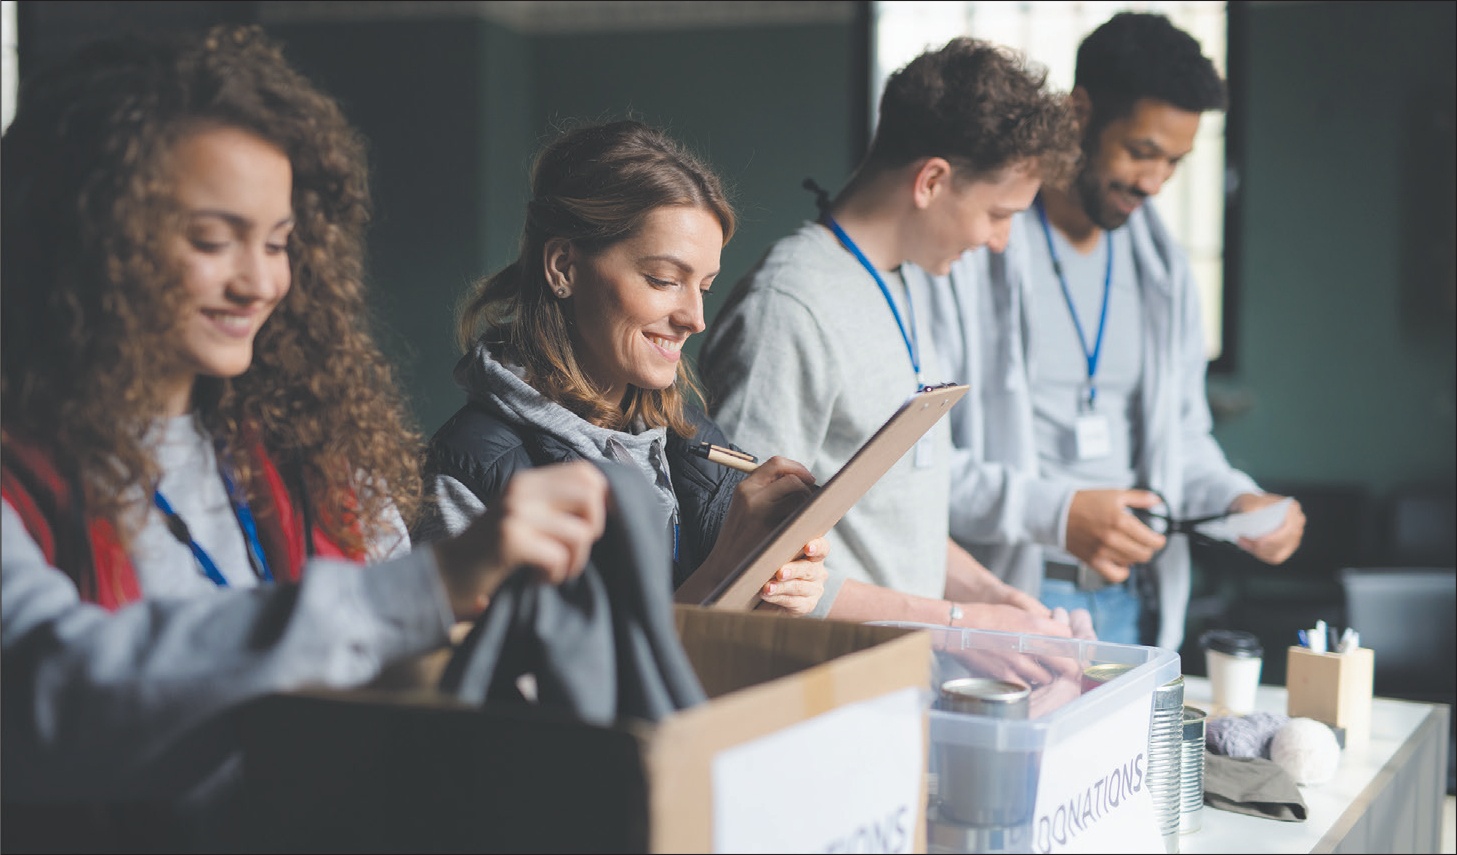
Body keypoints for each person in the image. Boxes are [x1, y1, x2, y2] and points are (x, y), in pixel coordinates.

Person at [0, 25, 615, 848]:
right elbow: (56, 696)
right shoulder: (17, 473)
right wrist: (429, 589)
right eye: (212, 240)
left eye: (279, 243)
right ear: (89, 237)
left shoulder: (311, 447)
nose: (257, 280)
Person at [915, 12, 1306, 649]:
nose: (1153, 181)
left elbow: (1184, 436)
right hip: (1009, 598)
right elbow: (921, 464)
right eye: (1141, 151)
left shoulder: (1165, 272)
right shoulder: (973, 248)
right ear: (1079, 111)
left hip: (1136, 602)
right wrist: (1059, 513)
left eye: (1174, 163)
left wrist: (1237, 502)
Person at [698, 37, 1085, 647]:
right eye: (999, 214)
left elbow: (889, 510)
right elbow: (755, 559)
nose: (1001, 241)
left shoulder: (903, 280)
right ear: (931, 180)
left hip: (891, 683)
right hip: (815, 692)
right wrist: (966, 623)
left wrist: (989, 595)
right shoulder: (788, 306)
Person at [412, 119, 829, 617]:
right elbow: (521, 689)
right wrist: (724, 575)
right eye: (663, 280)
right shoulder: (466, 477)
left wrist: (771, 597)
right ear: (564, 266)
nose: (695, 318)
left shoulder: (692, 440)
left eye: (705, 287)